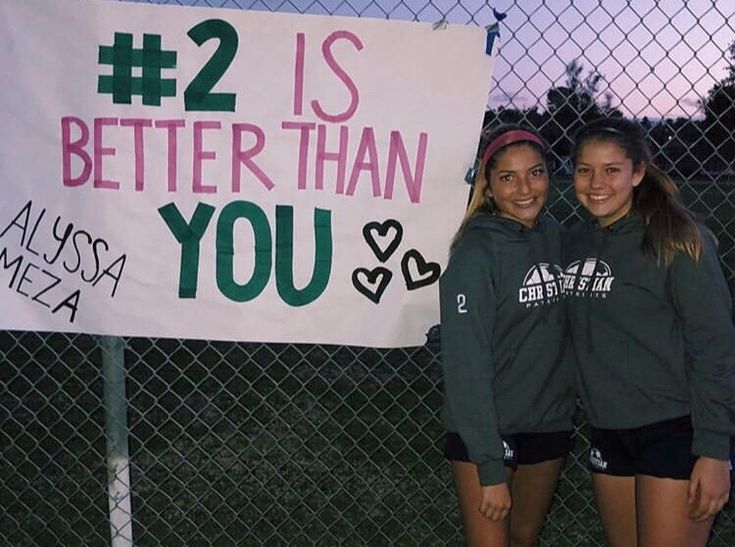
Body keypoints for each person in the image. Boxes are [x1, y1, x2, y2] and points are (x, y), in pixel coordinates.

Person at [565, 116, 735, 547]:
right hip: (608, 428)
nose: (596, 182)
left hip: (676, 427)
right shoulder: (573, 243)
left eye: (612, 170)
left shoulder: (677, 238)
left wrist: (714, 450)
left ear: (637, 173)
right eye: (584, 170)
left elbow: (715, 345)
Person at [440, 124, 575, 547]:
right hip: (487, 427)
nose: (524, 189)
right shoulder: (475, 254)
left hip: (547, 421)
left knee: (524, 537)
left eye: (535, 173)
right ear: (489, 186)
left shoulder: (559, 239)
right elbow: (466, 366)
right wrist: (489, 465)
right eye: (507, 177)